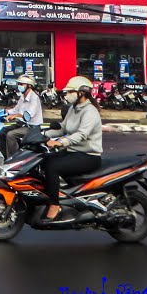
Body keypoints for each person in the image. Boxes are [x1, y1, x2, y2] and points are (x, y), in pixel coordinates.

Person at [41, 76, 103, 221]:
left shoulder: (90, 112)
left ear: (81, 93)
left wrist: (60, 143)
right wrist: (42, 135)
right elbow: (62, 128)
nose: (67, 95)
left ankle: (54, 204)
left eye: (70, 92)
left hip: (89, 156)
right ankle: (58, 194)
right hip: (73, 152)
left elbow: (81, 135)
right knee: (43, 160)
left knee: (52, 167)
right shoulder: (73, 109)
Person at [2, 74, 42, 158]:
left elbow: (29, 114)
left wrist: (15, 115)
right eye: (19, 84)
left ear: (29, 86)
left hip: (32, 128)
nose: (19, 86)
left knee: (11, 135)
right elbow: (15, 110)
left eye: (21, 84)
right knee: (2, 131)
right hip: (22, 124)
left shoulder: (34, 98)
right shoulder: (22, 97)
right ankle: (5, 154)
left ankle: (13, 159)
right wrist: (4, 112)